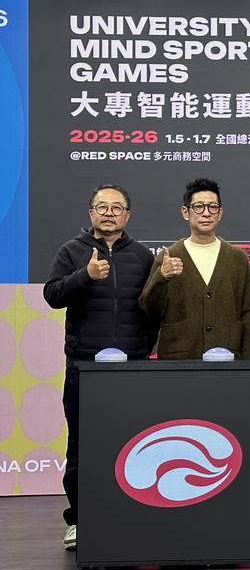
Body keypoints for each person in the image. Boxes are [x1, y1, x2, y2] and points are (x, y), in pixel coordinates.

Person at [43, 184, 155, 551]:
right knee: (82, 444)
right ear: (91, 212)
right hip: (85, 367)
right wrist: (85, 275)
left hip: (132, 368)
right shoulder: (71, 250)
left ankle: (131, 515)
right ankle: (79, 519)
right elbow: (52, 295)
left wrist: (143, 347)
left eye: (116, 207)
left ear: (127, 215)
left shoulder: (142, 256)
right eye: (102, 207)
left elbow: (152, 306)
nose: (109, 213)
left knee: (134, 443)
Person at [139, 178, 250, 359]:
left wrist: (248, 358)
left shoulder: (237, 258)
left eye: (213, 207)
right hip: (179, 359)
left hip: (228, 358)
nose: (206, 213)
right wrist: (161, 277)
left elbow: (249, 312)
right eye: (199, 207)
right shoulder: (168, 257)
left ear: (220, 213)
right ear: (185, 212)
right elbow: (150, 310)